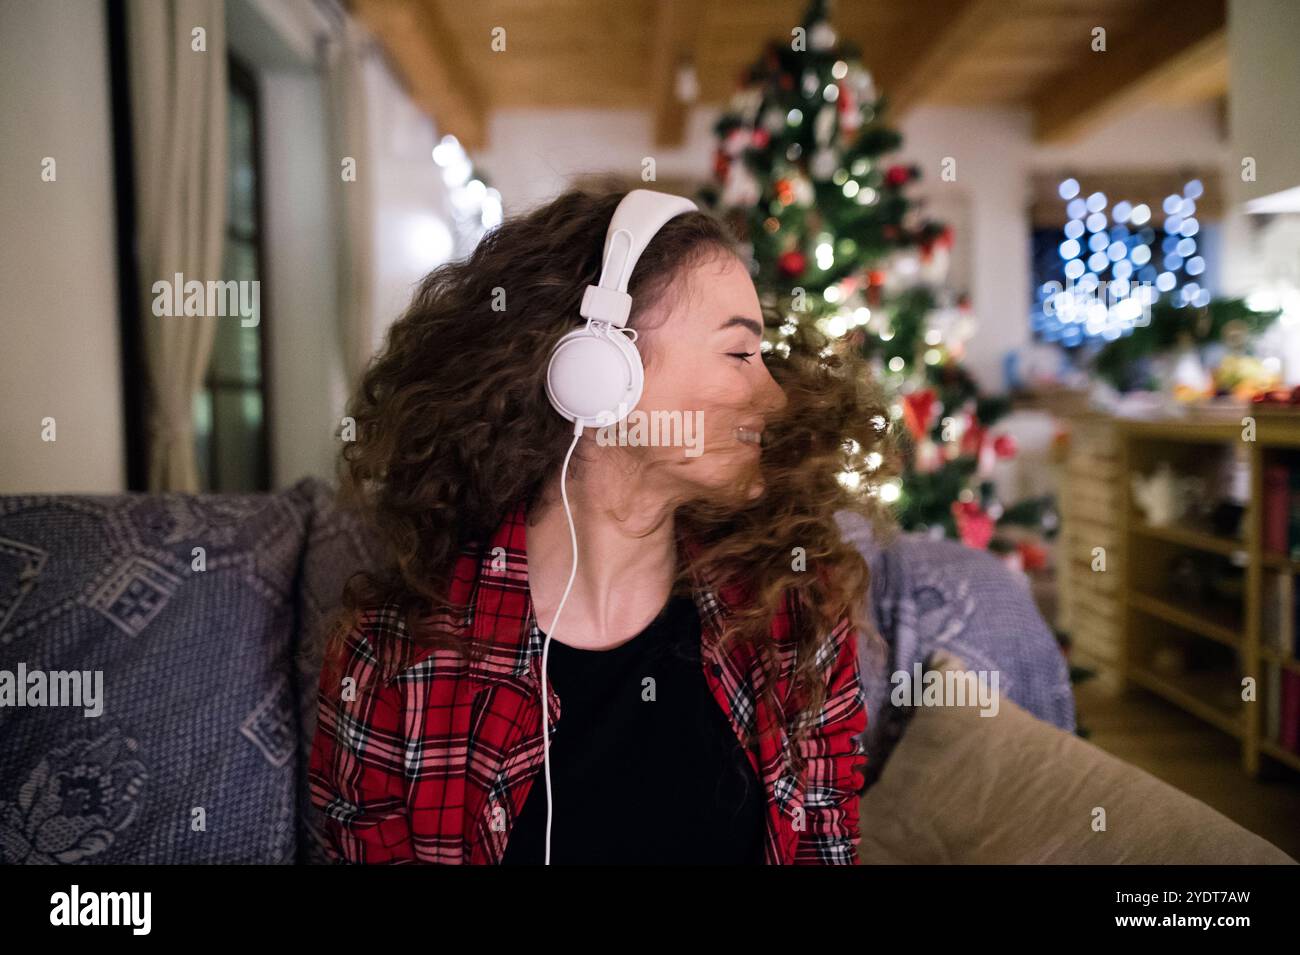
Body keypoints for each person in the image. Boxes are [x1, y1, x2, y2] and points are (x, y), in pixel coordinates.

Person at [307, 186, 885, 864]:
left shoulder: (795, 613)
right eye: (738, 354)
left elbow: (826, 845)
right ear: (596, 368)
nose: (776, 395)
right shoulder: (390, 661)